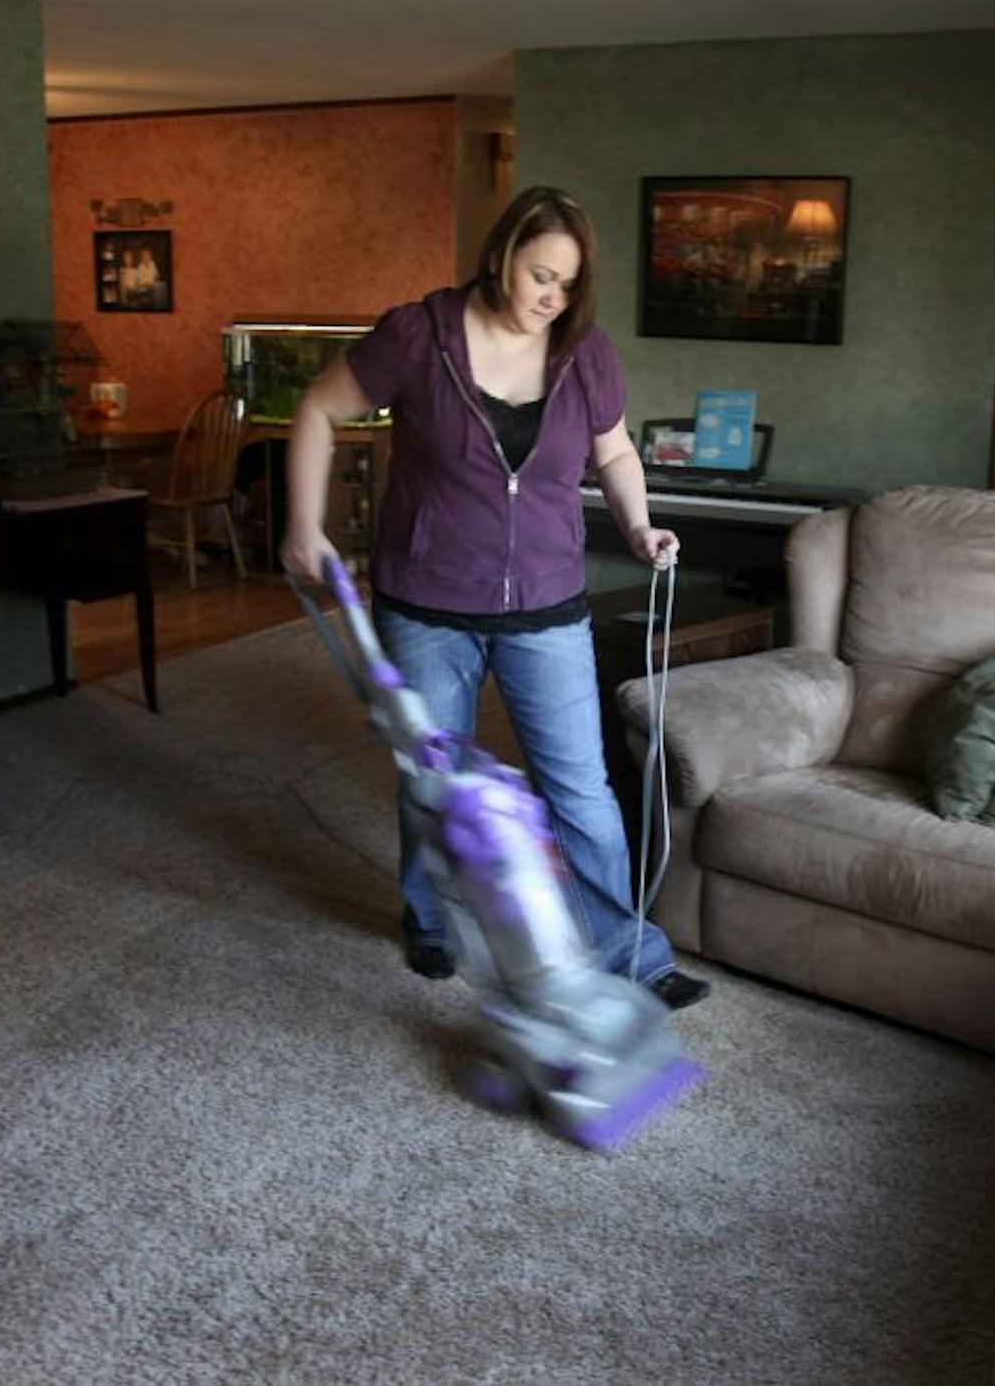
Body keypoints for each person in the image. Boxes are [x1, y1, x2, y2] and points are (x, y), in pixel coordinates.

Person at [281, 186, 710, 1011]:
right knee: (432, 776)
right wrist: (306, 524)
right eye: (539, 275)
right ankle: (431, 920)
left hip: (546, 605)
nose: (551, 299)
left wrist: (639, 526)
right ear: (500, 255)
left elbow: (614, 452)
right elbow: (317, 407)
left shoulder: (586, 352)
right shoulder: (417, 335)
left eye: (568, 287)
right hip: (425, 603)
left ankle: (630, 955)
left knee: (580, 785)